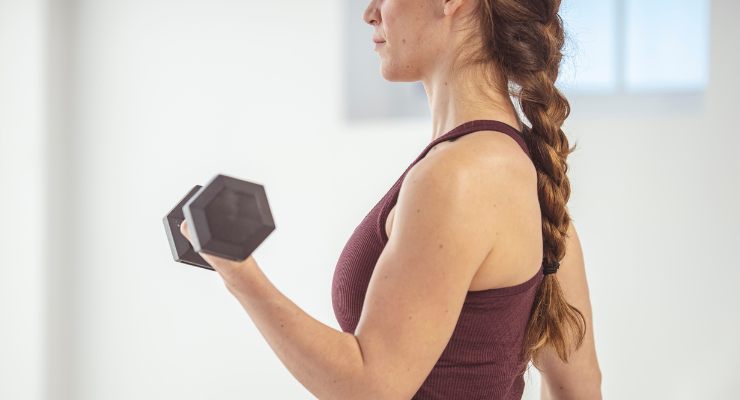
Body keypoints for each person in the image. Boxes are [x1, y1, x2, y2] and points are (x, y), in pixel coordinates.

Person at [181, 0, 602, 399]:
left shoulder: (461, 175)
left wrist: (239, 272)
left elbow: (371, 387)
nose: (369, 13)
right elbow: (579, 387)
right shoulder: (516, 172)